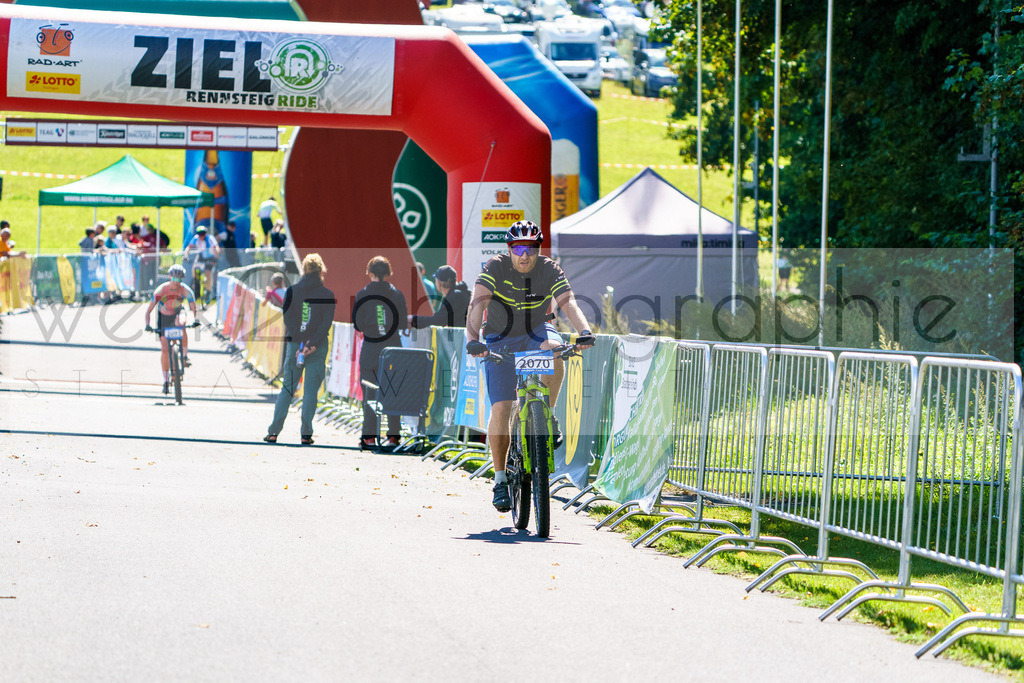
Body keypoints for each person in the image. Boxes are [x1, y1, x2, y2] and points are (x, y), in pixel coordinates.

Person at [465, 220, 595, 512]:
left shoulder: (548, 269)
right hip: (499, 337)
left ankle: (546, 414)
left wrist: (584, 331)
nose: (525, 255)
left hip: (536, 331)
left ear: (539, 249)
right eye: (519, 248)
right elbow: (477, 305)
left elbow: (568, 302)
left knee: (556, 351)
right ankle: (499, 479)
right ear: (510, 249)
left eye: (532, 248)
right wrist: (473, 340)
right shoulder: (495, 267)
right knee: (502, 407)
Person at [265, 253, 336, 445]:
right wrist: (311, 344)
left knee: (287, 388)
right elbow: (325, 325)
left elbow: (288, 319)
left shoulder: (292, 292)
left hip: (295, 345)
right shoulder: (328, 295)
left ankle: (273, 431)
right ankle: (306, 434)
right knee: (310, 392)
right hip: (317, 346)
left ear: (303, 269)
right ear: (322, 271)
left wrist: (300, 343)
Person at [352, 255, 408, 452]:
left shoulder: (361, 295)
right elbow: (402, 323)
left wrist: (373, 326)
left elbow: (357, 324)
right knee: (393, 391)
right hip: (393, 348)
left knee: (370, 392)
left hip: (371, 348)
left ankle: (369, 437)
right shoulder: (397, 294)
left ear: (370, 273)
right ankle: (393, 436)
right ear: (388, 273)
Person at [144, 264, 198, 395]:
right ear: (169, 277)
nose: (176, 283)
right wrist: (148, 324)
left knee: (182, 322)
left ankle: (184, 355)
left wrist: (195, 320)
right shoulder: (161, 290)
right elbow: (149, 310)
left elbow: (193, 308)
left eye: (179, 280)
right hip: (163, 317)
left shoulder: (185, 290)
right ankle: (165, 379)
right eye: (174, 279)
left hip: (178, 313)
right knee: (164, 349)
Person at [183, 225, 221, 300]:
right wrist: (186, 255)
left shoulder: (210, 238)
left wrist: (216, 257)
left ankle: (208, 291)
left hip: (210, 258)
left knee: (208, 273)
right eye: (200, 234)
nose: (201, 236)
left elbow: (216, 247)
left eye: (203, 234)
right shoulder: (196, 238)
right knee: (194, 268)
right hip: (201, 256)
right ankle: (196, 282)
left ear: (205, 234)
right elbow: (188, 247)